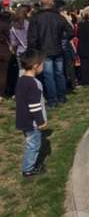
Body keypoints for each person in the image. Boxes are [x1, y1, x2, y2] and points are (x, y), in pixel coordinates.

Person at [27, 0, 73, 107]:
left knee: (50, 75)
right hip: (55, 49)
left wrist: (34, 50)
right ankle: (60, 97)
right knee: (58, 74)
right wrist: (63, 39)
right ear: (51, 4)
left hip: (45, 50)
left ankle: (53, 99)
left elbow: (32, 38)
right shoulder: (57, 17)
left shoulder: (37, 18)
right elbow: (70, 32)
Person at [15, 49, 48, 177]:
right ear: (35, 66)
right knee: (34, 145)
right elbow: (34, 106)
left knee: (31, 142)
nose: (43, 66)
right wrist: (40, 122)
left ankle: (28, 166)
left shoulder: (21, 79)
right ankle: (28, 169)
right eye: (42, 64)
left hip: (23, 119)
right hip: (32, 122)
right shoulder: (34, 83)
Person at [9, 6, 30, 76]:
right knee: (30, 71)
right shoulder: (28, 23)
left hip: (20, 52)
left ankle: (21, 85)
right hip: (29, 51)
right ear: (25, 13)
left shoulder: (13, 26)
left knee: (21, 72)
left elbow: (13, 43)